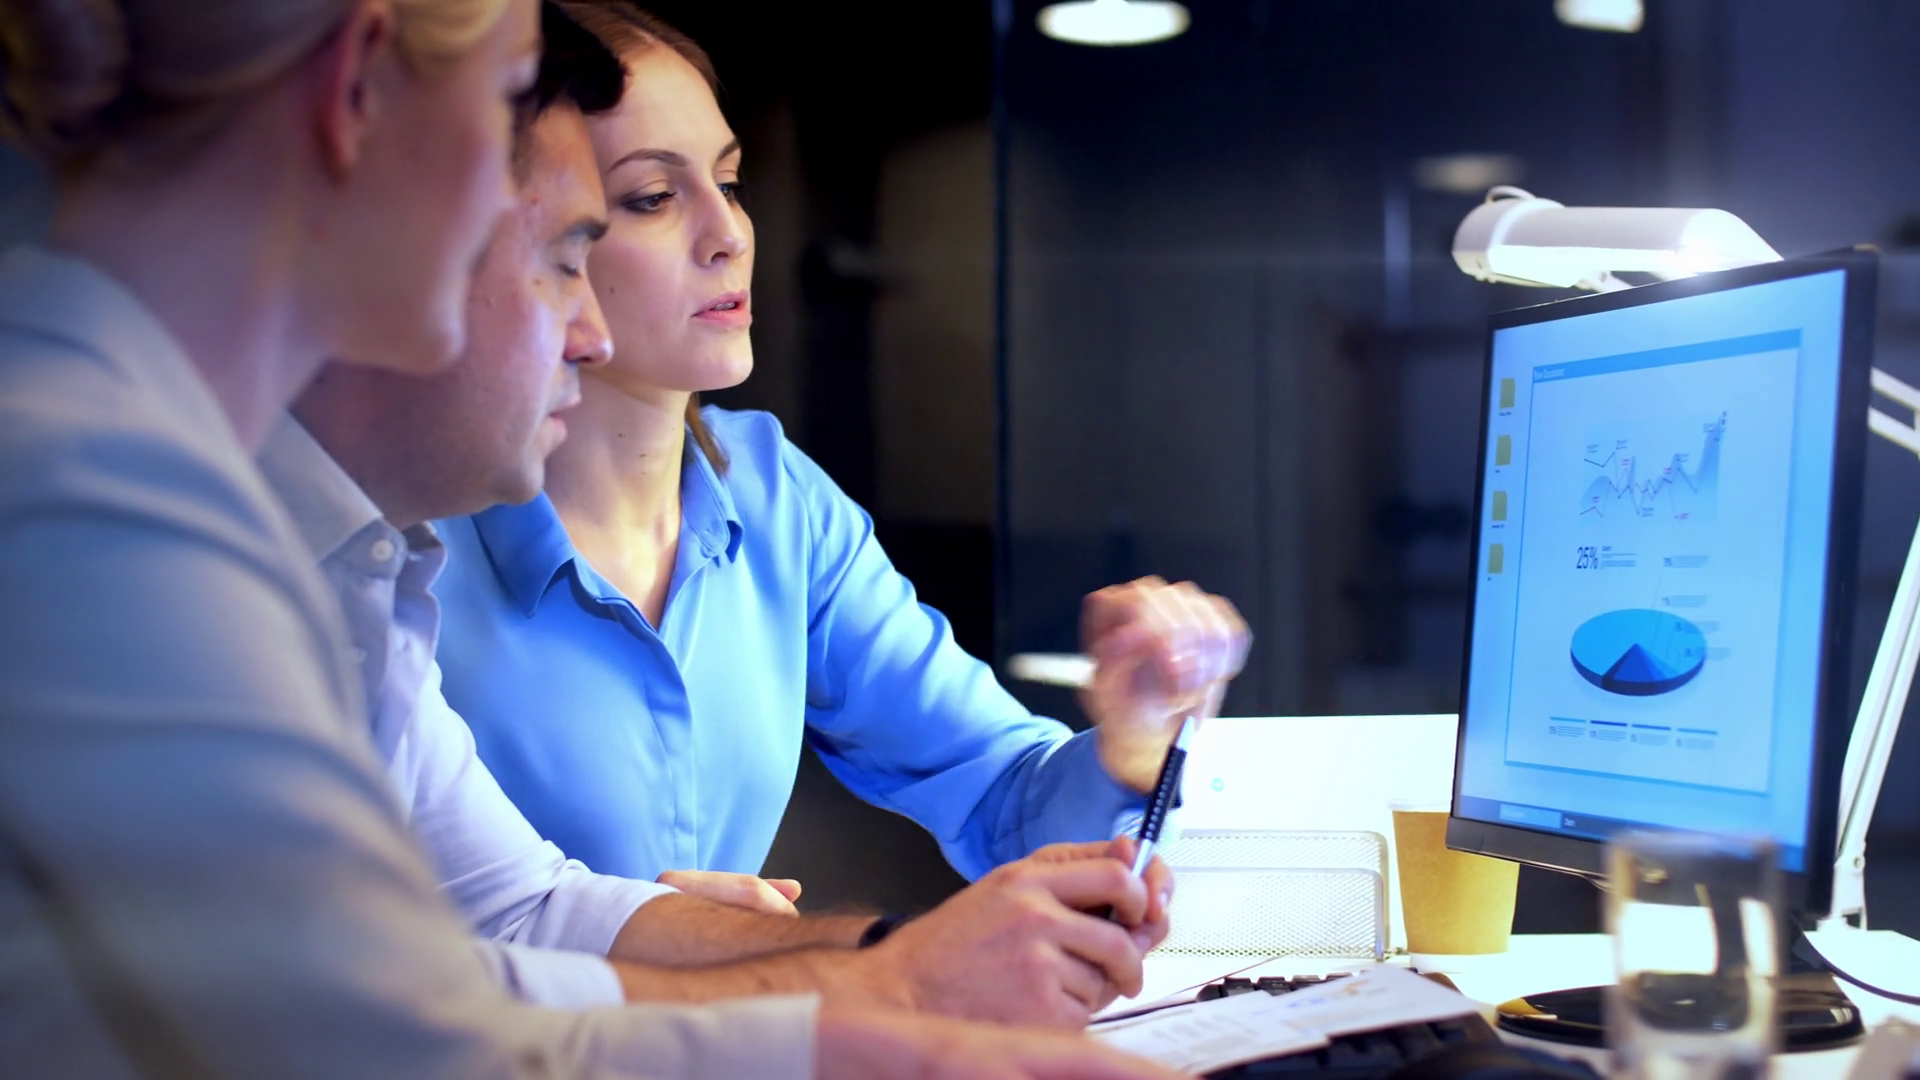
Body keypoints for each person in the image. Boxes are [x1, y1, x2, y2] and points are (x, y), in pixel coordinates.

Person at [0, 0, 1179, 1075]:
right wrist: (884, 1002)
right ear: (361, 93)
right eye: (515, 132)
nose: (590, 327)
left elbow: (502, 927)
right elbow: (386, 1035)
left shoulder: (323, 533)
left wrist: (888, 985)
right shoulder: (94, 499)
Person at [430, 0, 1254, 911]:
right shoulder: (413, 527)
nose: (729, 233)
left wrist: (1130, 745)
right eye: (654, 197)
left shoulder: (774, 498)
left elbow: (1003, 800)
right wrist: (675, 948)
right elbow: (356, 927)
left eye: (730, 182)